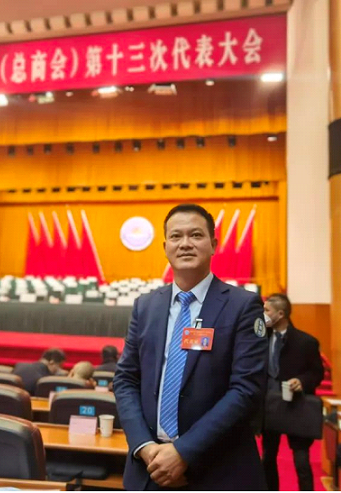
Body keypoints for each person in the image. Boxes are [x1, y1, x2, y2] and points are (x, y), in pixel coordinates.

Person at [114, 203, 268, 490]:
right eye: (176, 236)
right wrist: (145, 446)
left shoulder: (242, 306)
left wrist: (183, 452)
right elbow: (125, 380)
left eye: (196, 235)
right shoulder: (145, 306)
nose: (185, 243)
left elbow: (247, 389)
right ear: (165, 247)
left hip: (218, 470)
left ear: (214, 245)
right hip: (149, 469)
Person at [261, 293, 324, 491]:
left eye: (267, 310)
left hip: (296, 406)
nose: (263, 314)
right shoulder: (260, 338)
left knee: (301, 461)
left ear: (280, 314)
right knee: (267, 458)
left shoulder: (306, 342)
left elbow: (317, 373)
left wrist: (301, 381)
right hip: (269, 406)